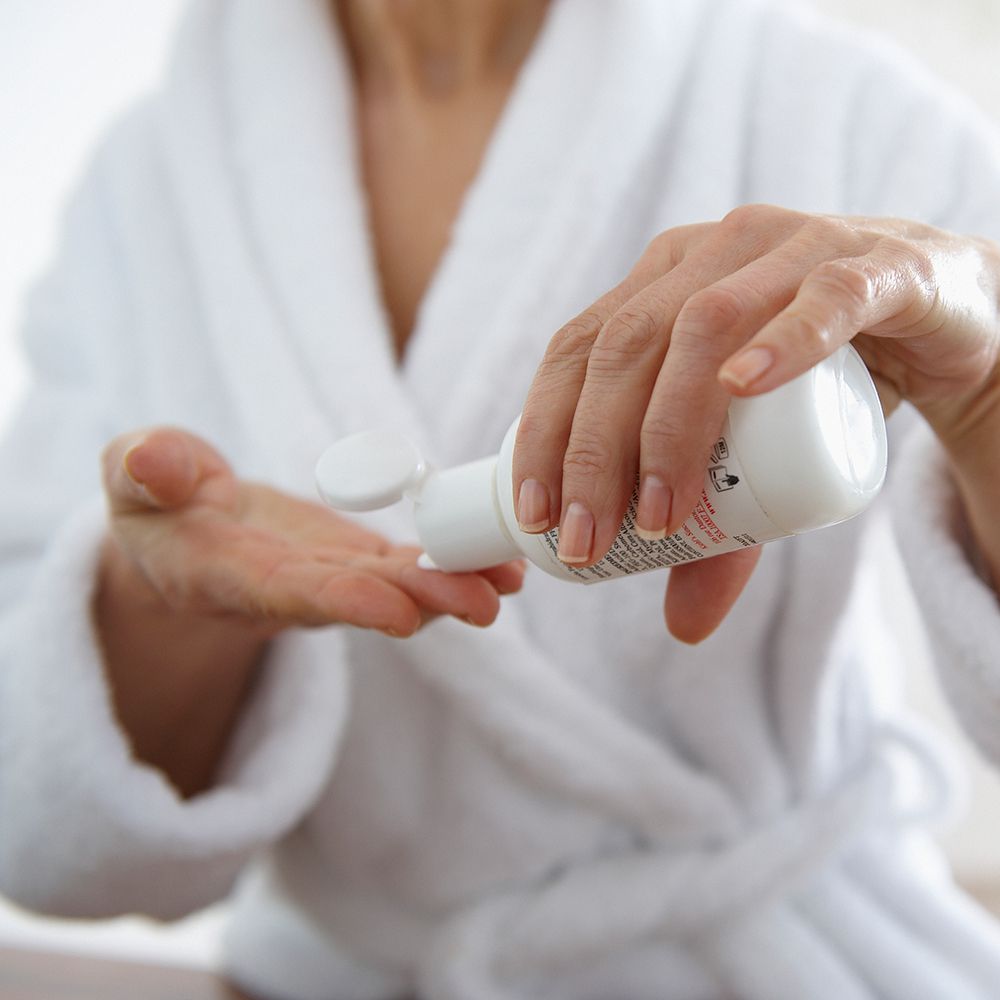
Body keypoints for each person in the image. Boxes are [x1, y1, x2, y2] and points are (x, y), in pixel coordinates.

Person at [2, 0, 1000, 997]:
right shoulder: (143, 191)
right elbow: (41, 831)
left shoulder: (841, 108)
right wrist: (152, 609)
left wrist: (988, 399)